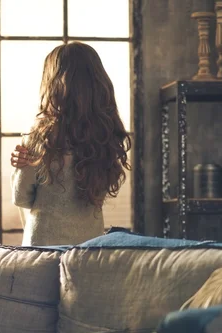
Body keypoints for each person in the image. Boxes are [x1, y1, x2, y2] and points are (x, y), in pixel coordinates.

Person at [10, 42, 131, 246]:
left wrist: (18, 169)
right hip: (88, 251)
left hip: (42, 251)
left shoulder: (40, 137)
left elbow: (21, 198)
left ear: (52, 84)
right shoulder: (105, 137)